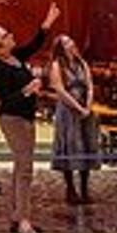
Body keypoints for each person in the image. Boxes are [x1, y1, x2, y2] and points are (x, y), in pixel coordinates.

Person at [0, 2, 61, 233]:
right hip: (13, 118)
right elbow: (6, 99)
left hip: (25, 117)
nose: (12, 36)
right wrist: (29, 90)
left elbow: (35, 43)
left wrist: (47, 23)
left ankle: (18, 214)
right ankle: (24, 221)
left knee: (21, 166)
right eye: (6, 36)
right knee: (25, 169)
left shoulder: (15, 57)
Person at [47, 34, 102, 204]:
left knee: (86, 145)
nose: (71, 43)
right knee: (70, 146)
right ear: (60, 47)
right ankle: (70, 189)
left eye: (71, 40)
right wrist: (77, 108)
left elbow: (90, 84)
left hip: (85, 108)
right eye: (67, 42)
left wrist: (88, 104)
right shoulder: (57, 65)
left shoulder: (81, 63)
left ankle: (85, 189)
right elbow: (60, 90)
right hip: (68, 110)